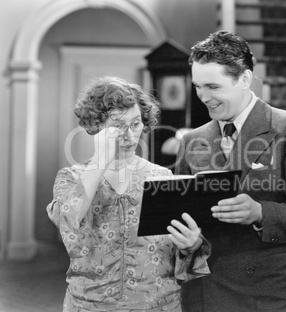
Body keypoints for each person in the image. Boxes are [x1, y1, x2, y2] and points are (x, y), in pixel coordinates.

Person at [175, 30, 286, 312]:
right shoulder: (191, 141)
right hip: (206, 289)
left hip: (267, 292)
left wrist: (259, 213)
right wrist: (188, 242)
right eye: (197, 86)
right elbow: (184, 215)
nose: (203, 97)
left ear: (244, 79)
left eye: (213, 87)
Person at [47, 76, 211, 312]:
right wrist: (102, 159)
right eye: (117, 127)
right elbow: (69, 221)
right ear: (96, 126)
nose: (130, 136)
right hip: (90, 306)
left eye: (135, 124)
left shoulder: (162, 177)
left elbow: (186, 257)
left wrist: (190, 245)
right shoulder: (70, 177)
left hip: (158, 305)